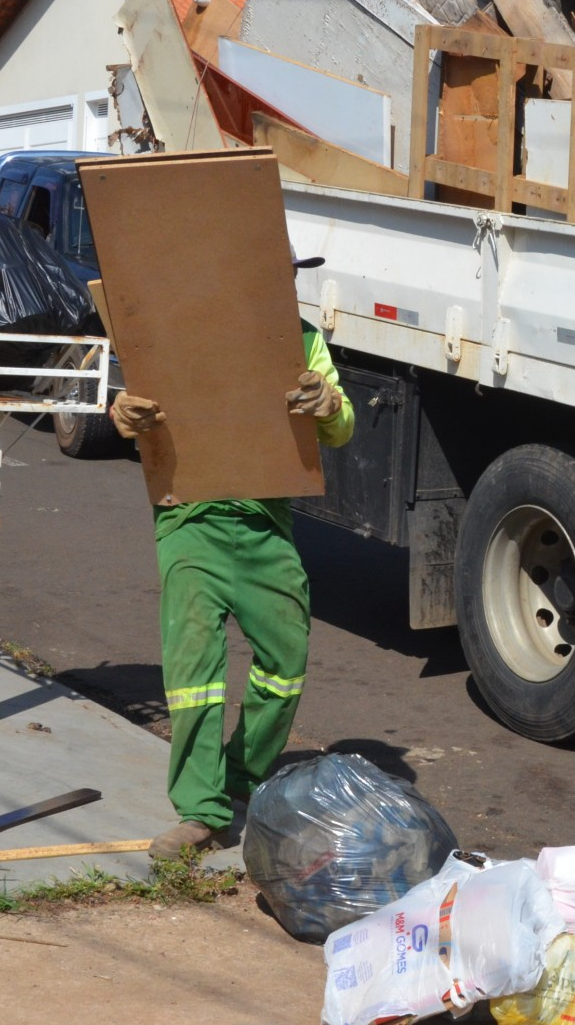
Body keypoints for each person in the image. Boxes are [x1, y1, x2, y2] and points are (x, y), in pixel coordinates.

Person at [108, 260, 355, 861]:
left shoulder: (298, 340)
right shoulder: (173, 333)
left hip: (265, 523)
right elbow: (128, 409)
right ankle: (202, 809)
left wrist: (327, 403)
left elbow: (342, 427)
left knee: (286, 660)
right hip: (190, 520)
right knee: (194, 671)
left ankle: (243, 776)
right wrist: (121, 415)